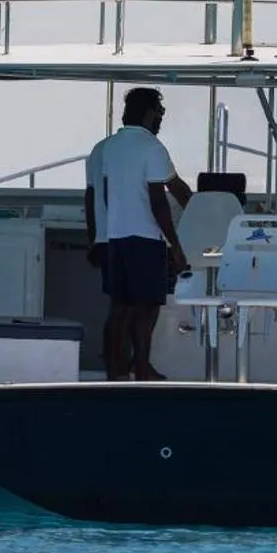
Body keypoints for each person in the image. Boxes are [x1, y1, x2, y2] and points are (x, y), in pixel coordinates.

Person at [84, 87, 192, 380]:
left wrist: (97, 236)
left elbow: (99, 196)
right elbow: (160, 199)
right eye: (160, 113)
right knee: (146, 306)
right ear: (149, 113)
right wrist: (176, 245)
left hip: (115, 237)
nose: (160, 120)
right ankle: (141, 366)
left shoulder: (108, 147)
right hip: (144, 239)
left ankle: (117, 370)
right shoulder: (151, 147)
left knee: (120, 307)